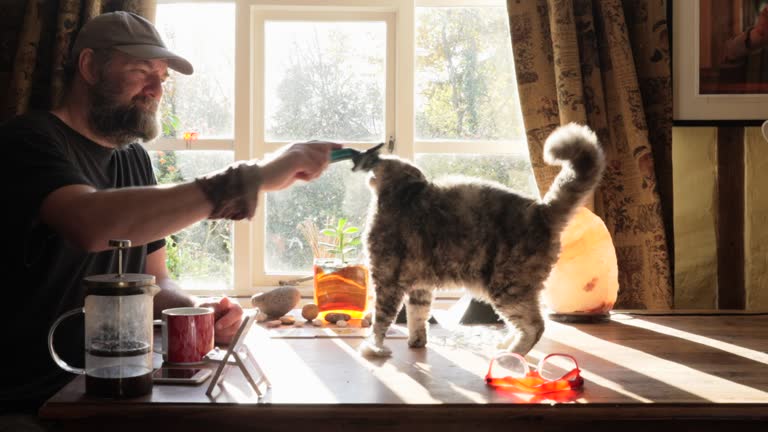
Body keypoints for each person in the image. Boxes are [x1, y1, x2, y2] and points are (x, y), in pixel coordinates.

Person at [0, 10, 341, 418]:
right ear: (89, 67)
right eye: (142, 70)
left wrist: (195, 314)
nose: (156, 88)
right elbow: (90, 224)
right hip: (31, 401)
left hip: (111, 389)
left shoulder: (134, 160)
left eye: (162, 77)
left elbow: (155, 280)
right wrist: (249, 178)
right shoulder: (28, 142)